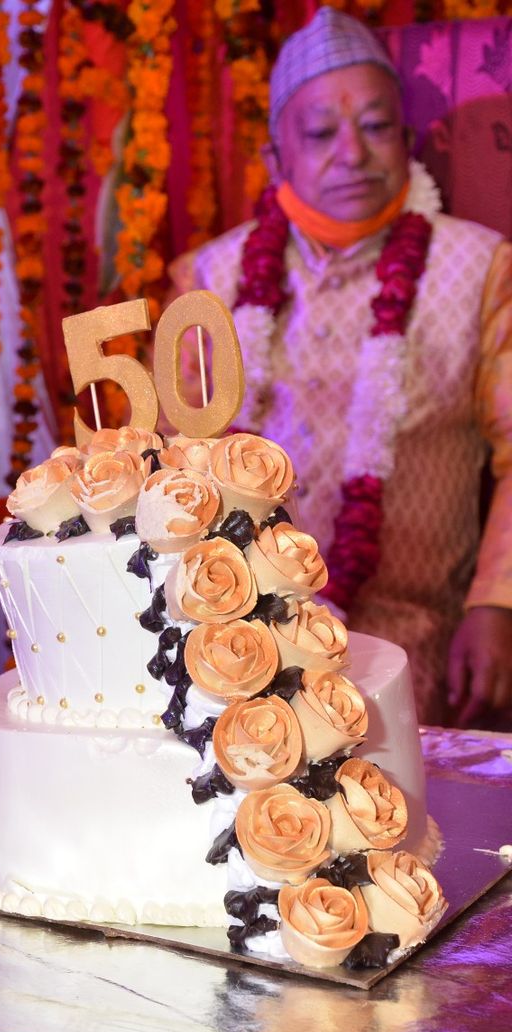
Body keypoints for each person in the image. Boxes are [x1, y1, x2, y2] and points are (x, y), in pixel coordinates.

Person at [170, 7, 512, 727]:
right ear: (275, 159)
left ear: (408, 138)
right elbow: (170, 472)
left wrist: (496, 600)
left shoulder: (482, 266)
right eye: (322, 133)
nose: (352, 153)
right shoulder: (208, 280)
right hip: (239, 653)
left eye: (377, 126)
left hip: (415, 654)